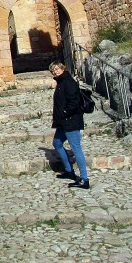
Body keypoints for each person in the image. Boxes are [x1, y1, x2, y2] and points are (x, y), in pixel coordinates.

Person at [49, 60, 89, 189]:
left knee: (76, 148)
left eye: (57, 69)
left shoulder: (69, 82)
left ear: (62, 68)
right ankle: (69, 171)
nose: (55, 71)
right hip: (63, 121)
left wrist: (65, 113)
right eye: (53, 70)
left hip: (71, 120)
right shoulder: (61, 83)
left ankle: (84, 179)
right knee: (57, 143)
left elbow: (74, 102)